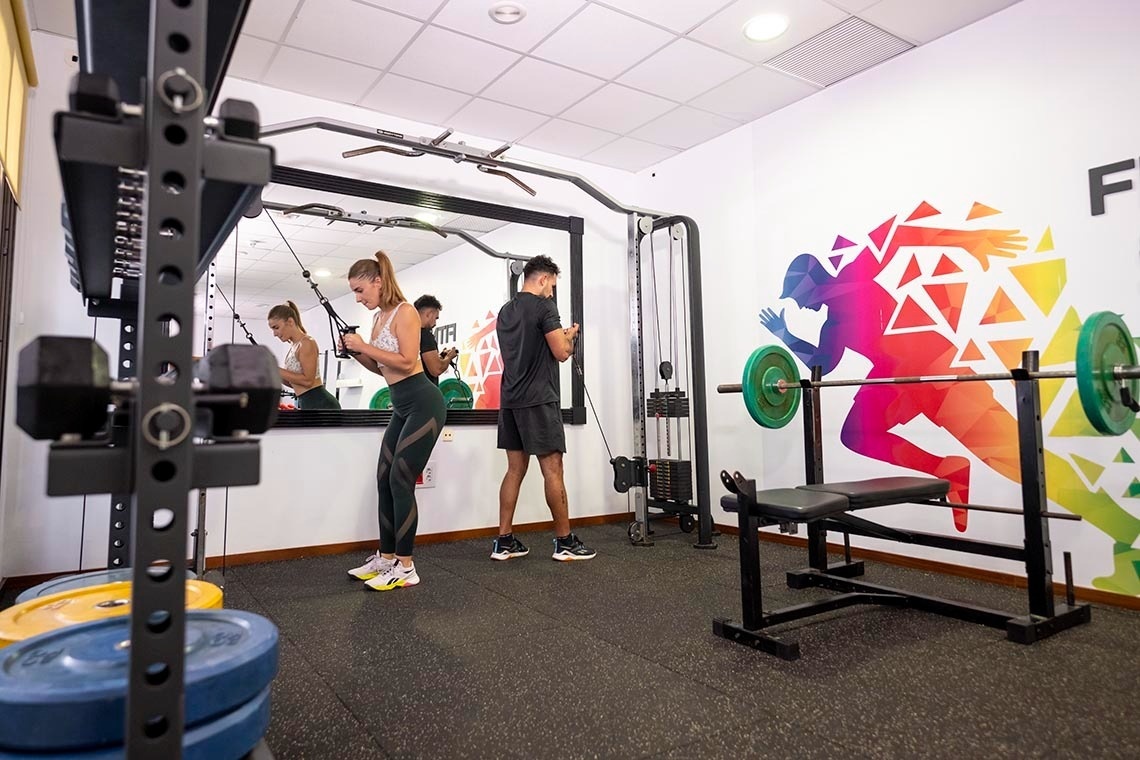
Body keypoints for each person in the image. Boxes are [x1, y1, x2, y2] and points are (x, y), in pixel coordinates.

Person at [762, 221, 1140, 586]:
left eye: (798, 298)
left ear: (810, 281)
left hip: (933, 369)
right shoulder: (833, 321)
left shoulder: (855, 277)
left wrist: (973, 239)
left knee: (1012, 457)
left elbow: (904, 236)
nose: (800, 306)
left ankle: (1120, 522)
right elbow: (822, 368)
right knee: (857, 433)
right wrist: (787, 336)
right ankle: (947, 470)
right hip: (895, 378)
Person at [342, 252, 447, 591]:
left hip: (424, 403)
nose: (359, 298)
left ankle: (406, 566)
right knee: (384, 478)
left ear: (377, 281)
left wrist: (366, 347)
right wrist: (359, 353)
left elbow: (404, 361)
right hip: (401, 405)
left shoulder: (406, 312)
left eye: (361, 290)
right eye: (355, 293)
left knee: (401, 480)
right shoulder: (379, 318)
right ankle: (386, 557)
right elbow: (382, 369)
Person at [492, 255, 595, 562]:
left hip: (510, 398)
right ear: (542, 278)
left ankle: (504, 541)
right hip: (538, 398)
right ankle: (564, 542)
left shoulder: (505, 311)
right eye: (552, 284)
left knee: (514, 470)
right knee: (553, 469)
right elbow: (561, 353)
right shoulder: (544, 307)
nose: (552, 291)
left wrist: (557, 338)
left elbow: (529, 345)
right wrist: (570, 338)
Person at [267, 301, 340, 410]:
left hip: (321, 404)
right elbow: (294, 383)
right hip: (307, 402)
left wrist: (277, 369)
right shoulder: (293, 347)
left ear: (290, 322)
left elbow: (308, 381)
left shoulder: (306, 342)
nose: (274, 334)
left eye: (276, 327)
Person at [414, 294, 460, 385]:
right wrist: (449, 357)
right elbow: (436, 369)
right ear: (429, 314)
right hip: (425, 394)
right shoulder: (425, 335)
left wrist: (441, 357)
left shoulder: (408, 335)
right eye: (436, 318)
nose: (435, 323)